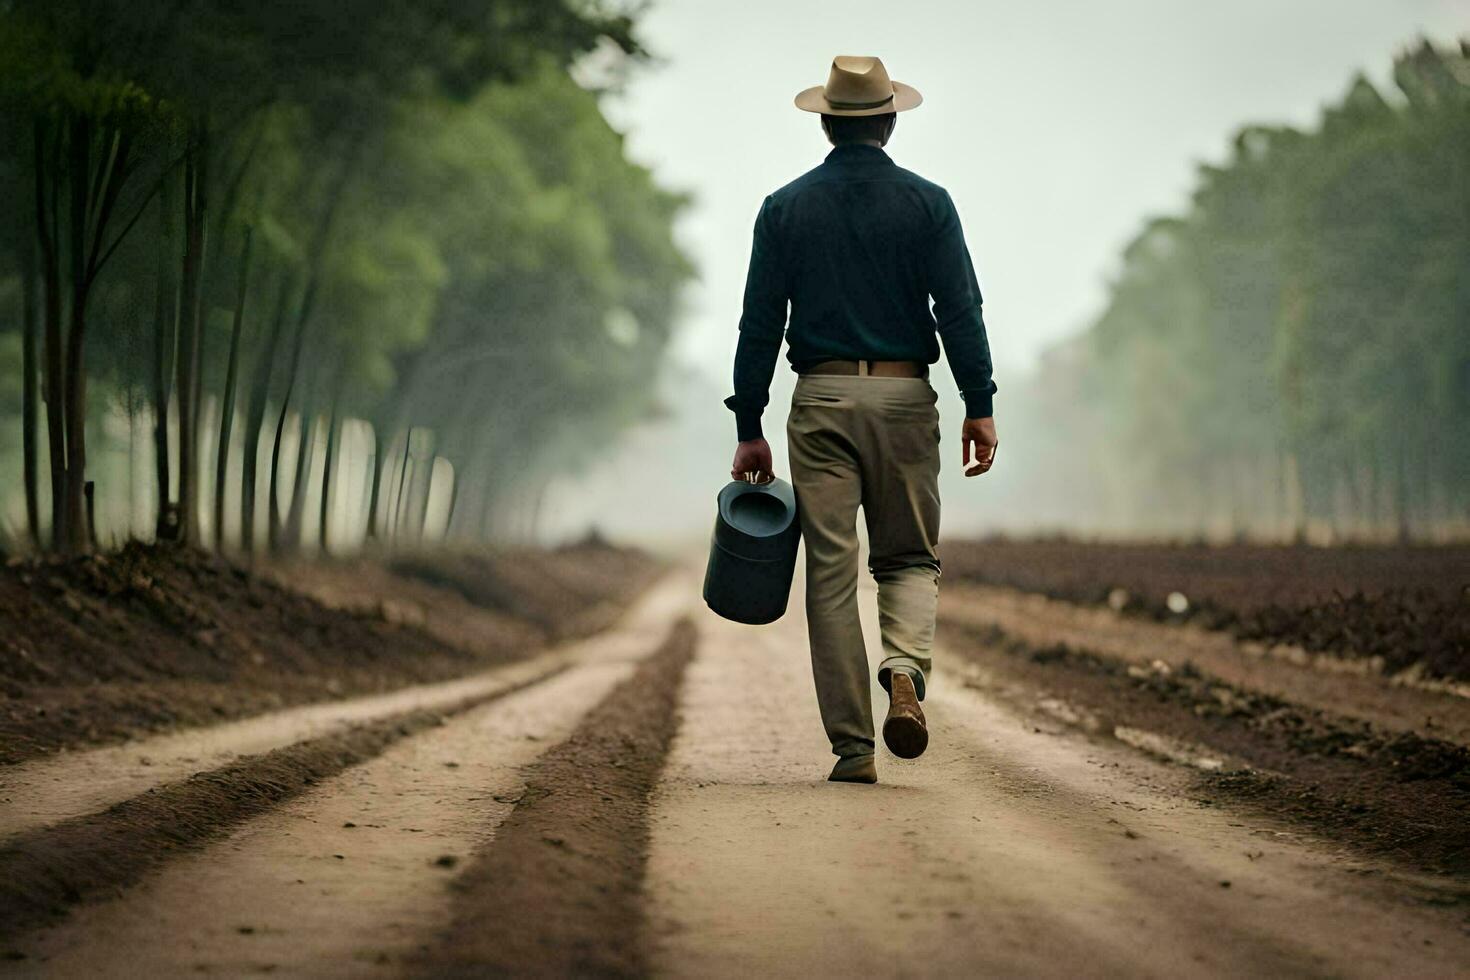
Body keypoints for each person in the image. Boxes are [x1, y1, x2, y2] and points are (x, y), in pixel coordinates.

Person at [725, 55, 999, 784]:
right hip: (907, 399)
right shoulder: (930, 204)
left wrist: (749, 422)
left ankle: (853, 747)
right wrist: (981, 403)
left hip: (819, 402)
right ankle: (903, 669)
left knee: (831, 573)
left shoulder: (784, 208)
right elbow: (960, 310)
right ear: (889, 121)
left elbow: (759, 323)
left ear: (825, 123)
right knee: (909, 557)